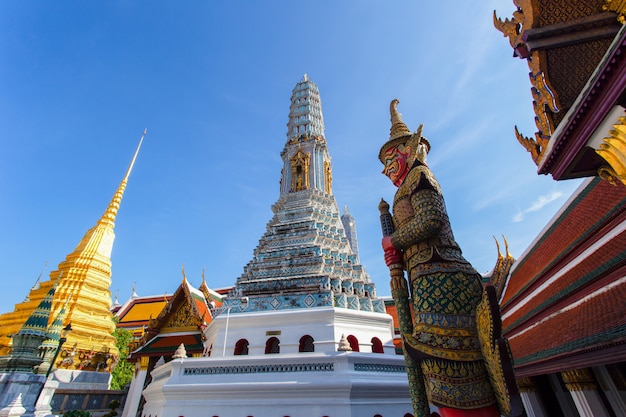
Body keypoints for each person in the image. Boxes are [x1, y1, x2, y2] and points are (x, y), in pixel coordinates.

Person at [380, 99, 501, 417]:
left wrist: (394, 240)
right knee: (437, 369)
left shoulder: (421, 177)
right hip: (425, 277)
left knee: (452, 365)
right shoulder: (404, 187)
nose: (386, 168)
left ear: (408, 152)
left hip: (444, 276)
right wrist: (398, 258)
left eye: (391, 158)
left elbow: (431, 219)